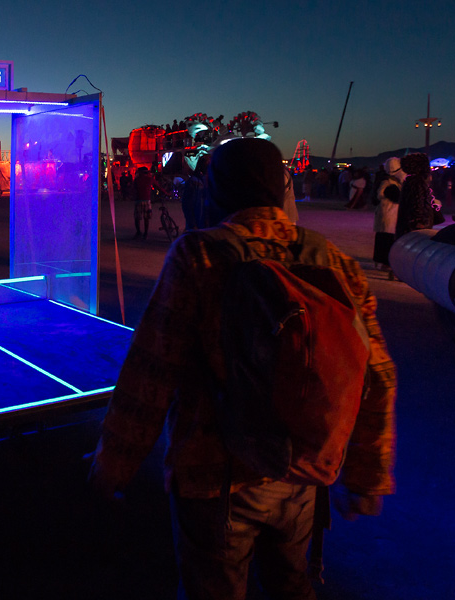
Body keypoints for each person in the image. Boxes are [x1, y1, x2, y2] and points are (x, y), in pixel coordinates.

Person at [89, 138, 396, 600]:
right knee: (292, 585)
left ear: (217, 190)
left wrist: (114, 464)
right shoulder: (332, 259)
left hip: (212, 477)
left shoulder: (199, 256)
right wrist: (368, 473)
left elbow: (150, 372)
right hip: (302, 471)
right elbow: (378, 376)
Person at [373, 157, 406, 274]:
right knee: (386, 240)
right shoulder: (389, 184)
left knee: (384, 238)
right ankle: (385, 263)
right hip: (389, 215)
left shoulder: (388, 182)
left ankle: (382, 261)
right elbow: (397, 198)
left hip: (387, 215)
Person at [396, 153, 439, 239]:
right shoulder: (417, 182)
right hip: (416, 227)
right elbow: (418, 203)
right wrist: (420, 222)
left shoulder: (409, 180)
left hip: (409, 225)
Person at [132, 166, 153, 239]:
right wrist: (166, 193)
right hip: (147, 200)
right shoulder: (149, 179)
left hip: (138, 200)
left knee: (137, 218)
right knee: (146, 218)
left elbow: (133, 190)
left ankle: (138, 232)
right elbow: (158, 187)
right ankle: (146, 233)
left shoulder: (137, 180)